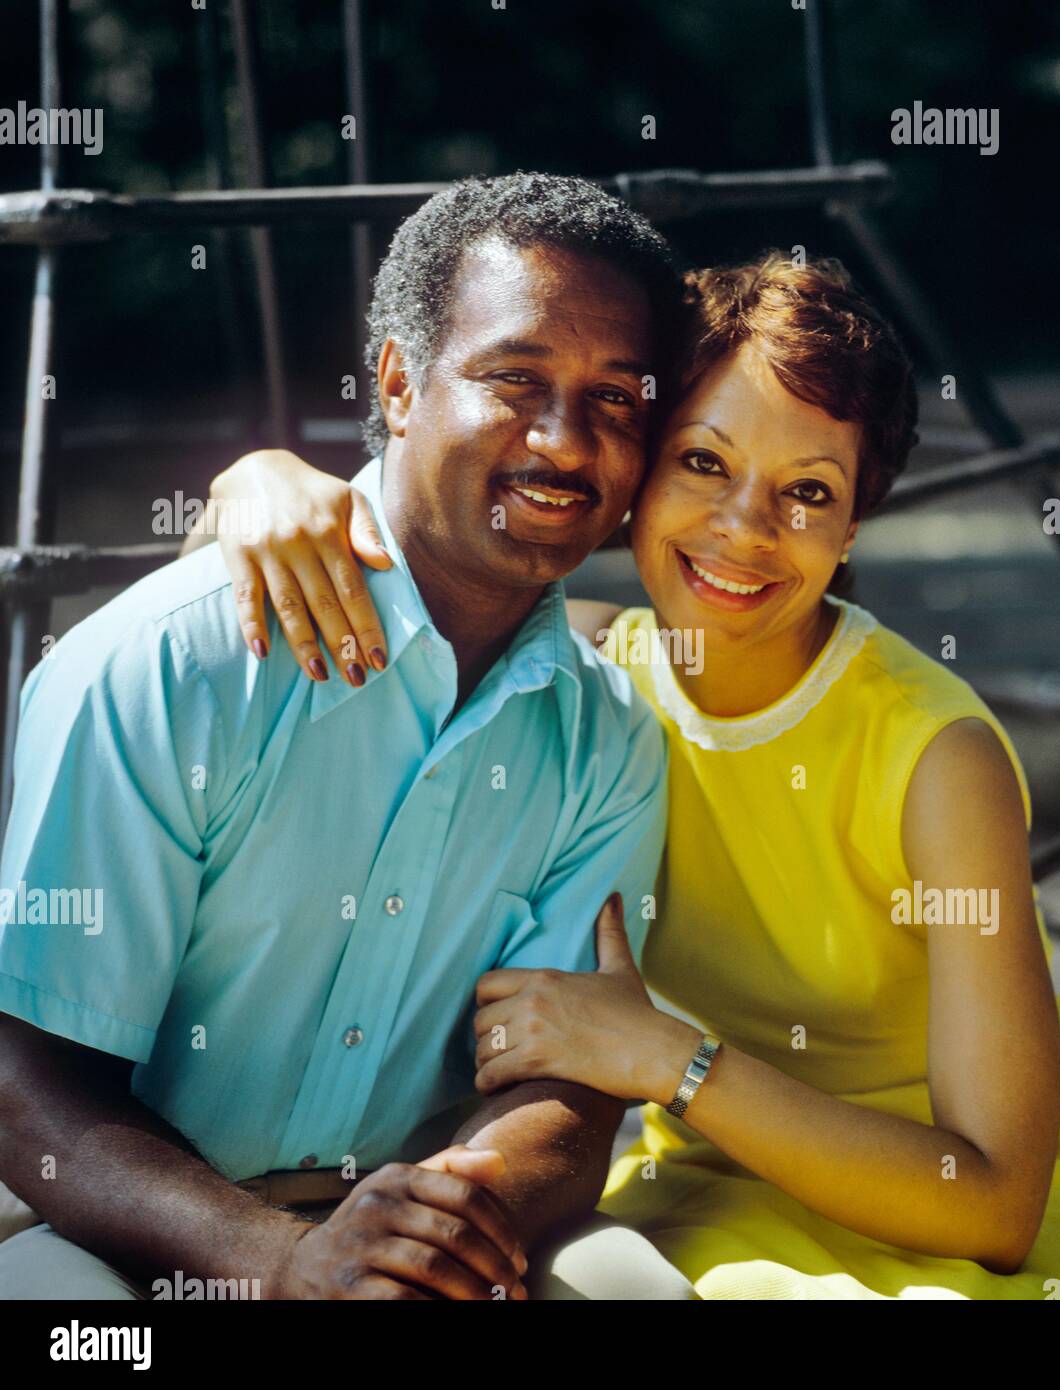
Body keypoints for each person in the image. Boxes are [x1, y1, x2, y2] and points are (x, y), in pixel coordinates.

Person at [200, 249, 1060, 1300]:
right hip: (719, 1186)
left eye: (807, 491)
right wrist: (253, 483)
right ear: (636, 465)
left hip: (953, 1224)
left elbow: (993, 1203)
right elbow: (366, 568)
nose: (743, 530)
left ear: (854, 520)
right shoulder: (583, 670)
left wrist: (669, 1060)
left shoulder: (934, 755)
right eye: (703, 463)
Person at [0, 172, 699, 1301]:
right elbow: (27, 1084)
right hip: (123, 1230)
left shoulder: (608, 736)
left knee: (637, 1292)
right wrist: (280, 1260)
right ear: (398, 381)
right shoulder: (168, 664)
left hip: (433, 1219)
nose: (567, 443)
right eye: (515, 379)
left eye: (617, 400)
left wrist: (413, 1246)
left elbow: (570, 1089)